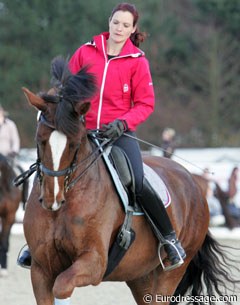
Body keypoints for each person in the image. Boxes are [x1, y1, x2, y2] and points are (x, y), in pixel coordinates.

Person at [18, 2, 185, 270]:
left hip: (117, 134)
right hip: (79, 130)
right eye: (116, 22)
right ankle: (36, 242)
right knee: (49, 169)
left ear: (133, 29)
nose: (120, 28)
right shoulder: (86, 51)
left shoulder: (137, 61)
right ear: (109, 22)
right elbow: (65, 87)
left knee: (138, 181)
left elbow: (145, 103)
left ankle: (169, 239)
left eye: (126, 25)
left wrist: (122, 123)